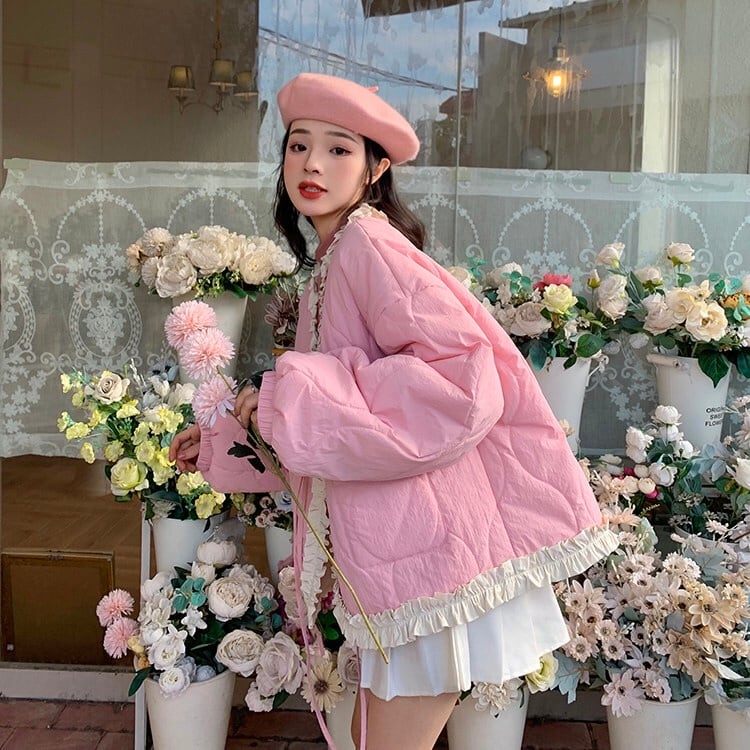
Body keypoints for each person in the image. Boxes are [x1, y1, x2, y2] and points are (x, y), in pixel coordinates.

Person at [170, 72, 618, 750]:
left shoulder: (368, 247)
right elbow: (340, 429)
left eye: (338, 149)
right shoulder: (336, 258)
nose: (312, 164)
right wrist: (230, 439)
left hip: (427, 549)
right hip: (407, 548)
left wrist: (287, 397)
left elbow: (460, 382)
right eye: (298, 145)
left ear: (376, 168)